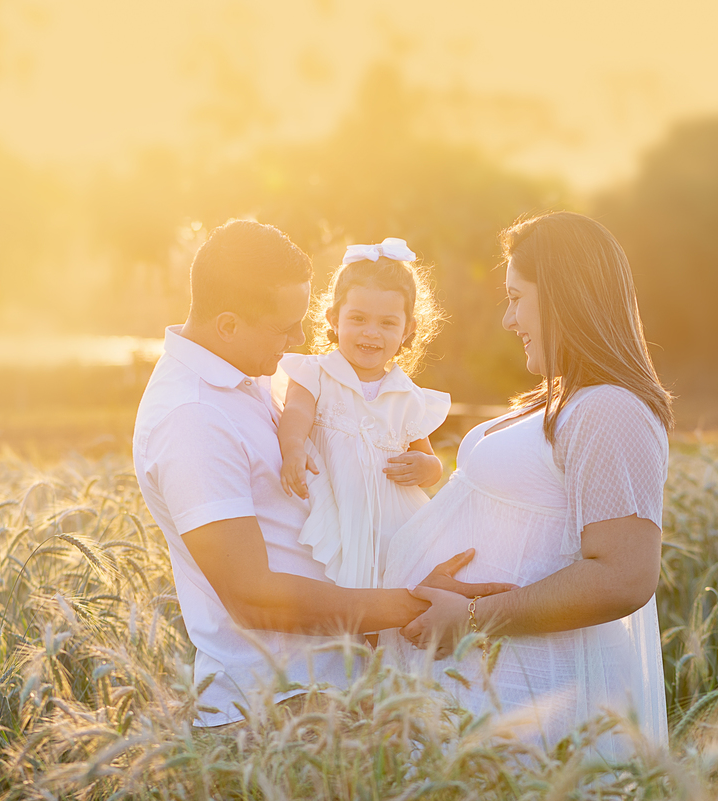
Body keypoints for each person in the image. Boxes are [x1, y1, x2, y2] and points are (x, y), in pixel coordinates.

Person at [132, 219, 510, 729]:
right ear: (227, 325)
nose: (303, 339)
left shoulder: (248, 377)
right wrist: (414, 605)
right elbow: (250, 595)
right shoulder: (192, 416)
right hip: (276, 708)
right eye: (286, 326)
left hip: (341, 687)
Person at [380, 211, 674, 755]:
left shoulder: (609, 408)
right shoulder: (562, 399)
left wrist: (470, 618)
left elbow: (625, 575)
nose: (508, 320)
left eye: (517, 298)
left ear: (563, 298)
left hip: (536, 702)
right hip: (491, 693)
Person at [278, 238, 450, 590]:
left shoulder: (406, 396)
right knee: (337, 599)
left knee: (392, 604)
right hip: (337, 516)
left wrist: (426, 468)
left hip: (393, 528)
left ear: (408, 330)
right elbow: (295, 412)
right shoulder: (317, 374)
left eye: (387, 323)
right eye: (357, 318)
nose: (371, 332)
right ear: (333, 318)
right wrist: (292, 447)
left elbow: (431, 463)